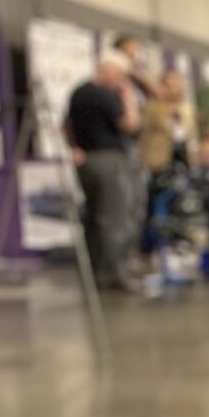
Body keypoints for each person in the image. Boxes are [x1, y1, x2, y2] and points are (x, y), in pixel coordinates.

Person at [64, 50, 143, 292]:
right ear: (108, 71)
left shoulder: (78, 92)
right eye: (119, 75)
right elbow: (131, 125)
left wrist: (75, 147)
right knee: (115, 218)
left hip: (86, 161)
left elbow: (65, 124)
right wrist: (128, 97)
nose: (121, 81)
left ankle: (94, 273)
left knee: (94, 216)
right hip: (109, 160)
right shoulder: (106, 95)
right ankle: (115, 274)